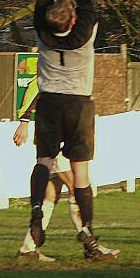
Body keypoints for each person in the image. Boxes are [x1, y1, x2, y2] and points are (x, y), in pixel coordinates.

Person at [27, 0, 118, 261]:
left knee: (44, 161)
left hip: (49, 101)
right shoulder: (84, 30)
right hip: (79, 105)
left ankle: (37, 211)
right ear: (73, 18)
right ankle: (87, 230)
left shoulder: (41, 28)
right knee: (80, 173)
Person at [14, 76, 119, 261]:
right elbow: (34, 95)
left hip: (56, 140)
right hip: (58, 143)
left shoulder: (60, 74)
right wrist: (24, 121)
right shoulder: (49, 76)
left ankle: (28, 248)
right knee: (75, 189)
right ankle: (90, 245)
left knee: (51, 195)